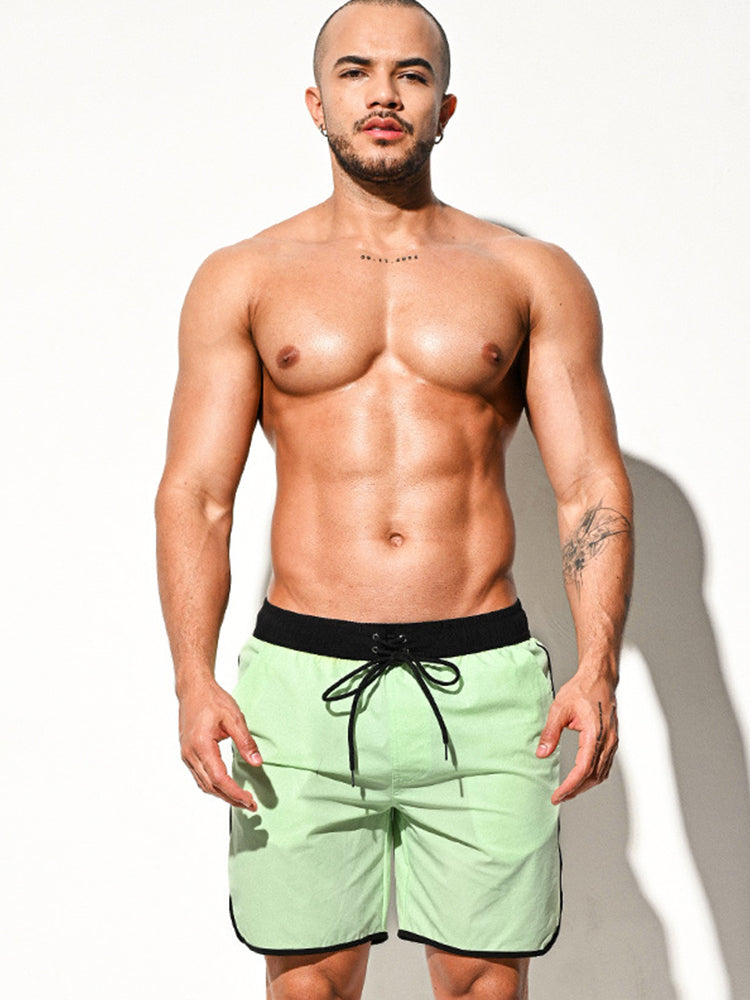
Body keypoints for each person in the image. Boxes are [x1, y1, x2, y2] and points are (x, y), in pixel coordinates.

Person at [155, 1, 633, 997]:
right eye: (356, 71)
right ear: (315, 101)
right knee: (309, 985)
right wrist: (193, 679)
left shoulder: (529, 273)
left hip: (485, 683)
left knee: (481, 984)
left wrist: (597, 670)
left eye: (412, 75)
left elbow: (589, 485)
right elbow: (198, 494)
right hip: (298, 688)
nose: (383, 94)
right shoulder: (244, 277)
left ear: (444, 105)